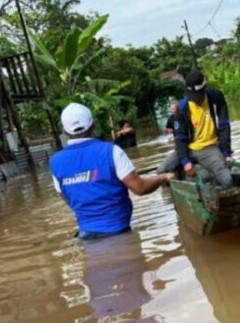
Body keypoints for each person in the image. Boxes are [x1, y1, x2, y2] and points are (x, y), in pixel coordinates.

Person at [50, 103, 173, 240]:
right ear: (93, 125)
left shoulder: (55, 161)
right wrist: (164, 176)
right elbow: (140, 188)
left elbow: (66, 197)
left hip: (86, 235)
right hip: (118, 233)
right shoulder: (111, 151)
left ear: (65, 131)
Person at [156, 71, 234, 187]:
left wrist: (226, 152)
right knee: (161, 171)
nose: (196, 100)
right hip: (189, 149)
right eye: (193, 96)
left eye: (198, 96)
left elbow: (224, 125)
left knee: (227, 179)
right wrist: (185, 162)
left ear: (205, 88)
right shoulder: (182, 107)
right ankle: (180, 183)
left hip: (209, 148)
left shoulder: (216, 97)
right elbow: (180, 138)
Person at [156, 100, 180, 174]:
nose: (173, 111)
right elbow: (168, 128)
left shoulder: (183, 116)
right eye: (172, 109)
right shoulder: (171, 118)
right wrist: (172, 130)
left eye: (174, 108)